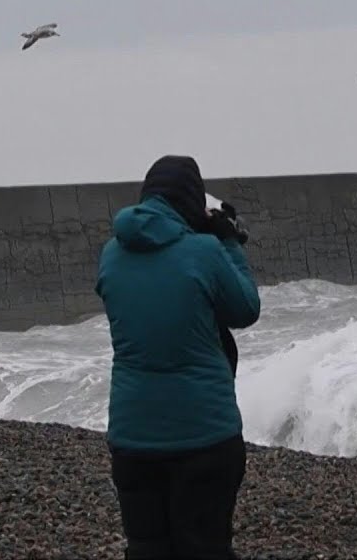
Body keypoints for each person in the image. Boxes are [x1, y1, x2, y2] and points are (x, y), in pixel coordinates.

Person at [95, 155, 261, 559]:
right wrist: (228, 241)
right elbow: (244, 309)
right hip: (203, 434)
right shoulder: (205, 251)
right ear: (190, 200)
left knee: (148, 548)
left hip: (132, 437)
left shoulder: (111, 255)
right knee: (205, 548)